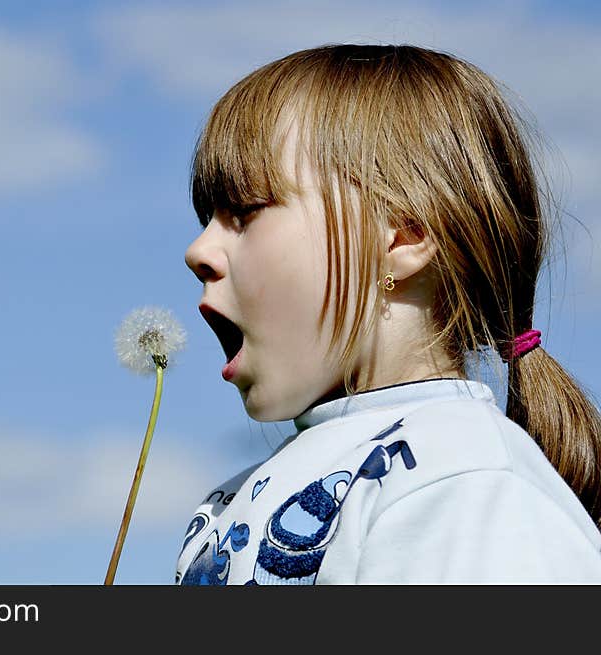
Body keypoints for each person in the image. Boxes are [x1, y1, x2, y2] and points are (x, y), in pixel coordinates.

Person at [176, 44, 601, 584]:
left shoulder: (460, 479)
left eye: (245, 210)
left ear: (402, 235)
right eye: (208, 217)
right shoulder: (227, 503)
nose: (198, 250)